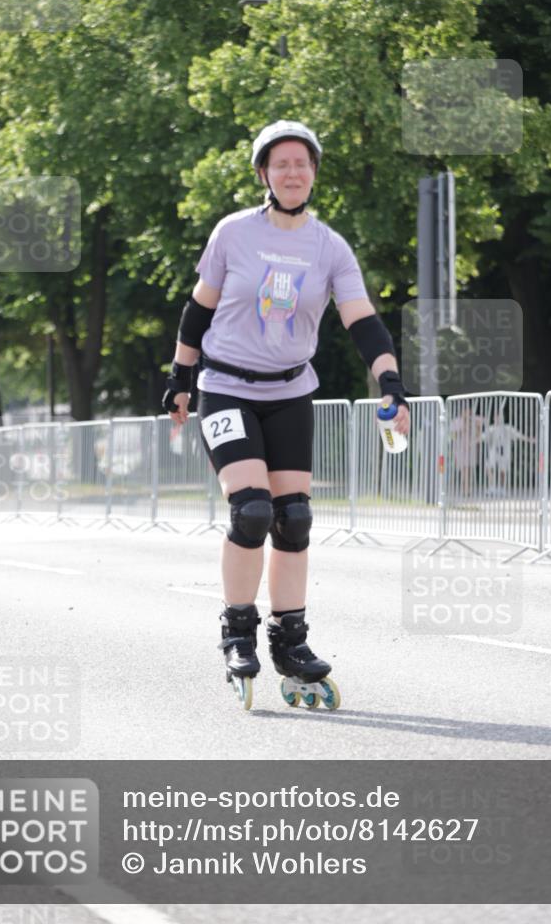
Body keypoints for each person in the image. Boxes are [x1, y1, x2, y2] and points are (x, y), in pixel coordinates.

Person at [162, 120, 410, 709]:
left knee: (293, 518)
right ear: (264, 174)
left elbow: (362, 320)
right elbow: (199, 309)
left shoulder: (329, 247)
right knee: (251, 511)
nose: (293, 172)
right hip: (225, 386)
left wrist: (392, 384)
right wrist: (180, 378)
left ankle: (290, 643)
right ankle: (238, 632)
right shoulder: (233, 234)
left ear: (314, 173)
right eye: (281, 164)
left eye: (302, 163)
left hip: (291, 390)